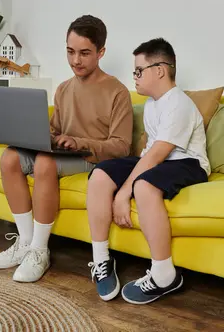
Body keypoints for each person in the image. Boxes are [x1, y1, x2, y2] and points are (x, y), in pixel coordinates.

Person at [0, 15, 133, 283]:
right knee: (9, 158)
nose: (76, 60)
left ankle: (40, 251)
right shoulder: (64, 89)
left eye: (85, 53)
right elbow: (55, 129)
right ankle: (25, 244)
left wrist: (81, 143)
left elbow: (122, 147)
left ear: (101, 52)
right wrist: (41, 136)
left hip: (93, 158)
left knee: (45, 163)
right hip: (65, 152)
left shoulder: (117, 92)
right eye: (70, 51)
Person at [86, 37, 210, 304]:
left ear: (160, 70)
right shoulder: (153, 103)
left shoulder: (179, 103)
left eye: (138, 71)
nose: (135, 77)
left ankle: (165, 275)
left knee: (143, 186)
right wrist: (118, 181)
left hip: (188, 163)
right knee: (100, 175)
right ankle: (101, 261)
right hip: (162, 161)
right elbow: (147, 153)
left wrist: (123, 194)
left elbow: (157, 155)